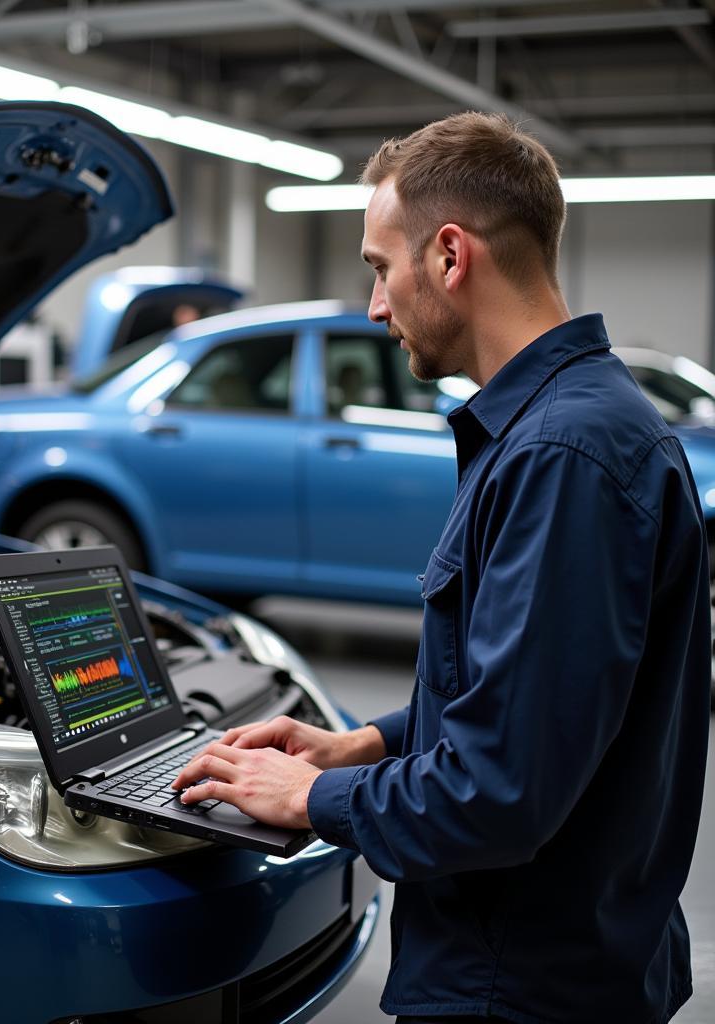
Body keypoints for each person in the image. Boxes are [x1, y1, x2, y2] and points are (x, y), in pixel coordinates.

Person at [173, 112, 709, 1024]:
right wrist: (365, 745)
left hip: (518, 983)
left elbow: (500, 791)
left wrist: (316, 794)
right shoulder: (577, 424)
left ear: (450, 256)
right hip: (571, 953)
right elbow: (530, 696)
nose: (377, 305)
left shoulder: (562, 455)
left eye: (381, 268)